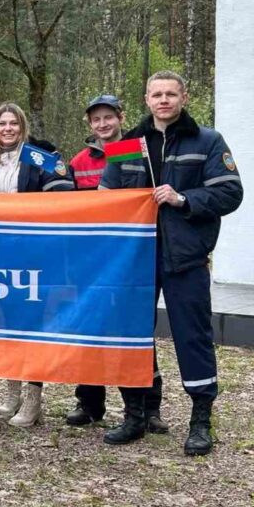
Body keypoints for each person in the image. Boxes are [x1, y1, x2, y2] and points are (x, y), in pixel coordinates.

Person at [100, 71, 242, 456]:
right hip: (135, 261)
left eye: (170, 94)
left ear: (184, 97)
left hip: (186, 258)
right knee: (131, 335)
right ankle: (137, 413)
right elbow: (107, 195)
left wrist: (184, 199)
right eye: (156, 94)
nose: (163, 100)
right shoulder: (128, 143)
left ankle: (200, 420)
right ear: (146, 99)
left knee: (192, 337)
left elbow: (231, 192)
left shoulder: (207, 141)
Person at [65, 95, 168, 431]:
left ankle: (148, 407)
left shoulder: (132, 149)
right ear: (89, 124)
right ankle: (90, 402)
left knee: (135, 331)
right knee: (90, 325)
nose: (103, 124)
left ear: (120, 117)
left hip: (130, 257)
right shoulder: (79, 161)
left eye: (109, 117)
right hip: (89, 257)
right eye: (96, 119)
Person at [0, 102, 73, 427]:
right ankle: (13, 393)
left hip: (36, 255)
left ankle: (34, 400)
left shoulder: (40, 155)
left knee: (32, 324)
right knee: (10, 324)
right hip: (2, 255)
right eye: (2, 124)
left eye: (13, 124)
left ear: (22, 127)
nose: (8, 129)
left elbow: (64, 190)